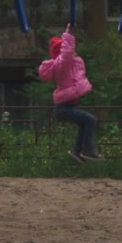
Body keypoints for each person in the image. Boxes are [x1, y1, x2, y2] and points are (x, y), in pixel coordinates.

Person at [38, 23, 104, 163]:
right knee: (90, 120)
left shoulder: (68, 66)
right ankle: (86, 151)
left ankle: (78, 152)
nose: (74, 51)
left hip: (66, 107)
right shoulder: (62, 65)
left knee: (85, 122)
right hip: (63, 108)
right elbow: (67, 54)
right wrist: (68, 34)